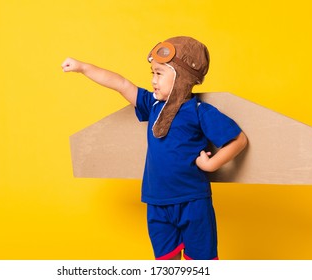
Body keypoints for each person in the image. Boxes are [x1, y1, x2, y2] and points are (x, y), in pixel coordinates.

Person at [62, 36, 247, 260]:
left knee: (202, 264)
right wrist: (83, 67)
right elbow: (121, 84)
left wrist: (212, 163)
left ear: (182, 78)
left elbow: (238, 140)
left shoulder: (199, 112)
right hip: (157, 203)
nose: (153, 80)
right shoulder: (152, 106)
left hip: (193, 202)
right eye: (152, 73)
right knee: (164, 264)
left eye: (159, 73)